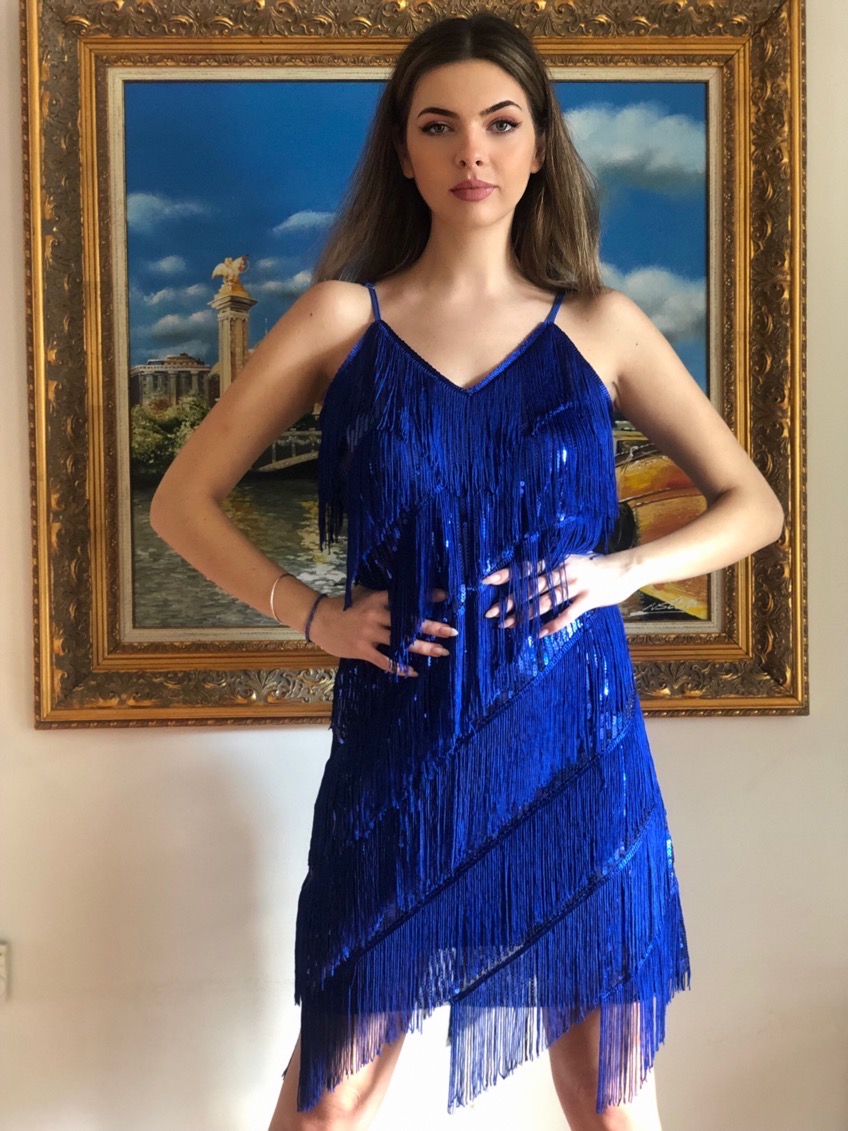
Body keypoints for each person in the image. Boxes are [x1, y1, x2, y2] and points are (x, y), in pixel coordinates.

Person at [150, 13, 784, 1131]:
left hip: (574, 750)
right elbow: (180, 499)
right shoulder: (340, 318)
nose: (471, 152)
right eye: (438, 127)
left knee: (608, 1108)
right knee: (329, 1103)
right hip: (399, 754)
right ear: (403, 152)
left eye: (499, 123)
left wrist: (616, 573)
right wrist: (315, 617)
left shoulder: (603, 325)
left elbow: (754, 507)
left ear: (539, 145)